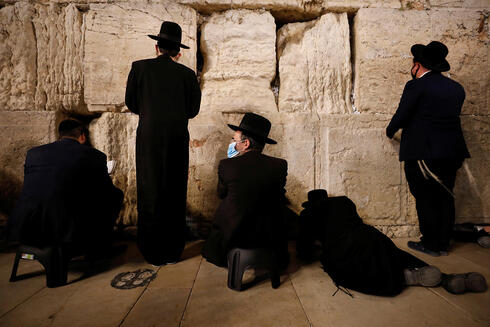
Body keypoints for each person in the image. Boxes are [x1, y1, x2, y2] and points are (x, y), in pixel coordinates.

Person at [298, 189, 487, 296]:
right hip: (370, 235)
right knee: (395, 254)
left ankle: (403, 278)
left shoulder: (308, 215)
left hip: (342, 247)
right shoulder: (343, 201)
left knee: (351, 270)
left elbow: (305, 252)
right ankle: (447, 277)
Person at [125, 21, 201, 265]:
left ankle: (151, 250)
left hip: (148, 138)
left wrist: (151, 114)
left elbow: (132, 103)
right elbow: (193, 110)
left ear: (157, 47)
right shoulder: (188, 76)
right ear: (178, 52)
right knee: (174, 190)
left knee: (150, 189)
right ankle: (171, 250)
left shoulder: (139, 68)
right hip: (177, 137)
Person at [386, 41, 470, 257]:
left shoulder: (416, 86)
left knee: (425, 197)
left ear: (417, 65)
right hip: (453, 152)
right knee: (445, 195)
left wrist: (390, 130)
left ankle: (431, 244)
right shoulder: (456, 88)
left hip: (425, 152)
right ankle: (443, 242)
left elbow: (402, 115)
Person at [8, 120, 123, 257]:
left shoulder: (33, 154)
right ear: (82, 136)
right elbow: (106, 190)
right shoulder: (94, 155)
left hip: (27, 226)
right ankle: (100, 247)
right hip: (63, 229)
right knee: (115, 196)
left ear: (59, 136)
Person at [202, 113, 289, 269]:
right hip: (268, 233)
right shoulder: (280, 165)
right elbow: (279, 197)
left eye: (234, 141)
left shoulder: (227, 165)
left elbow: (221, 194)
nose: (233, 144)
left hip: (235, 234)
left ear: (246, 143)